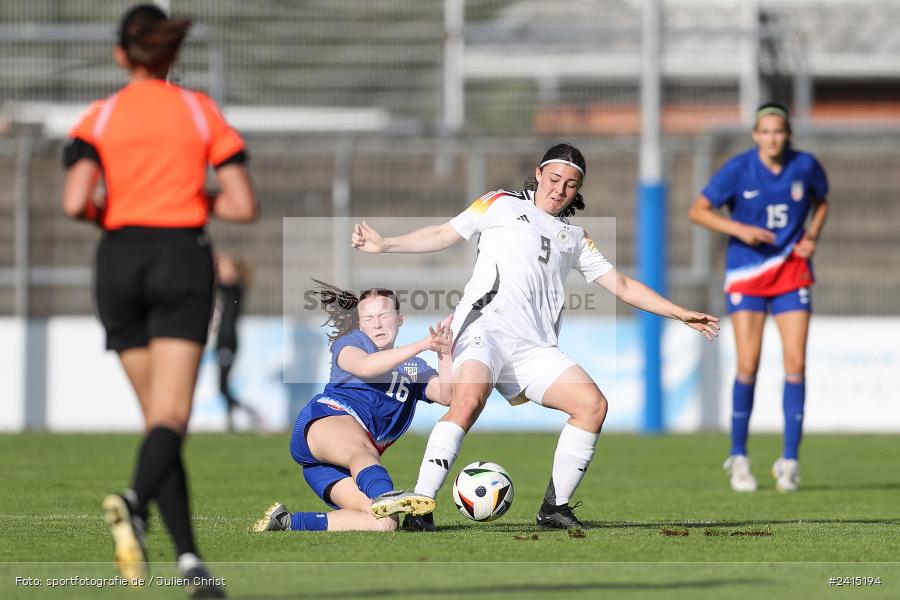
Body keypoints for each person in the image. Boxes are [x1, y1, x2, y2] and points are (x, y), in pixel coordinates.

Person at [351, 143, 720, 531]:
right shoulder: (499, 203)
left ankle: (554, 508)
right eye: (555, 179)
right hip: (483, 327)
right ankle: (421, 507)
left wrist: (680, 313)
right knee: (468, 400)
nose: (560, 190)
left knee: (592, 406)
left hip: (533, 347)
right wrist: (385, 244)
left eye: (571, 185)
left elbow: (624, 286)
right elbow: (444, 233)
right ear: (539, 173)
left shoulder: (575, 237)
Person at [61, 4, 257, 597]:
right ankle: (133, 501)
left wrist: (121, 206)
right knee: (171, 419)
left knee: (157, 423)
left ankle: (192, 564)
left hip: (118, 258)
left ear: (121, 55)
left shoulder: (100, 114)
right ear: (173, 54)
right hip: (179, 257)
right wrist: (192, 199)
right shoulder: (198, 110)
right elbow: (242, 205)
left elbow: (74, 201)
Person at [688, 102, 828, 493]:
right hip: (748, 274)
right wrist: (739, 229)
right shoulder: (738, 168)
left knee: (796, 364)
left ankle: (790, 461)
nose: (772, 138)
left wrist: (812, 235)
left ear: (788, 134)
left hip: (791, 272)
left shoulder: (805, 166)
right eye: (765, 131)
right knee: (747, 364)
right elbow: (698, 211)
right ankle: (739, 457)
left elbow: (821, 202)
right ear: (755, 135)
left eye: (778, 131)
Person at [253, 282, 452, 532]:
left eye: (384, 315)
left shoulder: (414, 368)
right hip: (326, 422)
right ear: (360, 324)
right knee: (362, 450)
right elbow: (366, 367)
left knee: (384, 522)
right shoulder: (352, 343)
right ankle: (385, 494)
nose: (377, 324)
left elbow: (447, 395)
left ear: (400, 319)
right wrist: (422, 344)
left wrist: (444, 354)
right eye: (368, 318)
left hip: (326, 468)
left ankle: (288, 522)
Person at [213, 252, 261, 432]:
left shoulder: (234, 289)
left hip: (227, 341)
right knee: (223, 385)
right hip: (223, 340)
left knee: (222, 386)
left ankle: (249, 412)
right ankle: (231, 421)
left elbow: (217, 281)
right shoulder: (229, 289)